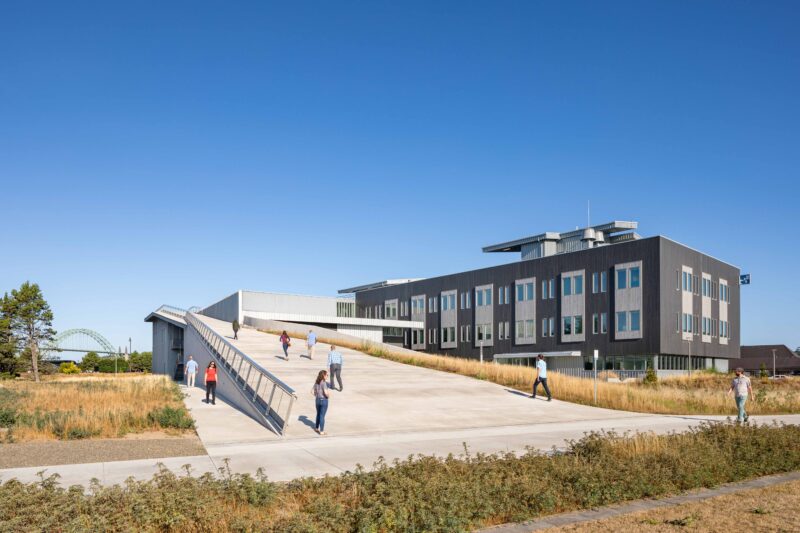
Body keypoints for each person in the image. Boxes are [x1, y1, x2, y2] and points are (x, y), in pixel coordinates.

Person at [312, 370, 330, 435]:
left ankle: (316, 428)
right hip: (323, 400)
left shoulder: (316, 382)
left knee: (318, 414)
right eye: (326, 375)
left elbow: (312, 391)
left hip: (317, 400)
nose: (327, 376)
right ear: (323, 375)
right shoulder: (324, 383)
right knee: (322, 416)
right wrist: (328, 395)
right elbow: (325, 392)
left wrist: (316, 395)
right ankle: (321, 431)